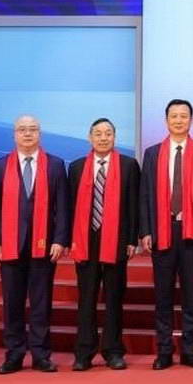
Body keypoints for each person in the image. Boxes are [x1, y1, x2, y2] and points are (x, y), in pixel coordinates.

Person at [138, 99, 193, 370]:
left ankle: (189, 350)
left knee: (190, 295)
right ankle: (163, 351)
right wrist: (146, 230)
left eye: (184, 116)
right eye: (174, 116)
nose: (179, 120)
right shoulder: (152, 154)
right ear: (166, 121)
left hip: (192, 231)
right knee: (163, 296)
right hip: (163, 231)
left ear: (191, 121)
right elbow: (145, 194)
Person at [0, 115, 70, 374]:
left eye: (32, 129)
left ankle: (40, 354)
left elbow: (62, 207)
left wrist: (60, 239)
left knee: (41, 303)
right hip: (10, 245)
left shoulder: (55, 165)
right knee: (12, 303)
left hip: (43, 245)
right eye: (22, 130)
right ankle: (14, 354)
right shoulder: (1, 165)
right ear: (14, 134)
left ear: (39, 134)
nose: (27, 134)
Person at [69, 117, 141, 371]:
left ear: (114, 137)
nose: (103, 138)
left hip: (117, 240)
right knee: (86, 298)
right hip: (85, 240)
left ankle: (113, 351)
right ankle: (84, 353)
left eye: (108, 133)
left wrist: (132, 239)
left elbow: (134, 204)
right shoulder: (76, 167)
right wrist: (70, 240)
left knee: (114, 298)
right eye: (98, 133)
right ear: (90, 137)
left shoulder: (128, 166)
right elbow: (69, 206)